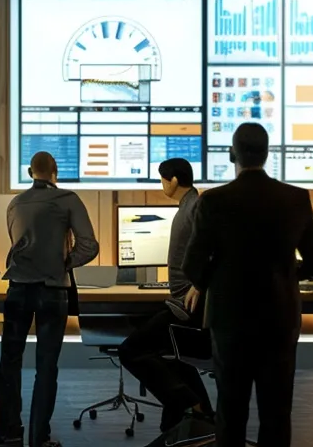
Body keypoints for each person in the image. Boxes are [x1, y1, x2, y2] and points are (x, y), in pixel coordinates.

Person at [180, 123, 313, 447]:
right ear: (268, 153)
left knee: (230, 414)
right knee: (276, 414)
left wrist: (216, 278)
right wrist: (286, 274)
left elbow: (192, 266)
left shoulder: (214, 201)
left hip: (230, 321)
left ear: (232, 154)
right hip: (279, 320)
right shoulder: (295, 198)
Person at [0, 151, 98, 447]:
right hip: (52, 292)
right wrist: (64, 263)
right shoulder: (68, 199)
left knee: (9, 363)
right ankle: (38, 438)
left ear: (30, 172)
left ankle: (9, 433)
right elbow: (89, 245)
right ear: (55, 172)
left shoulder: (14, 203)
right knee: (46, 367)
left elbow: (16, 244)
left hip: (16, 289)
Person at [119, 157, 212, 434]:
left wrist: (200, 283)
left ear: (172, 180)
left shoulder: (195, 207)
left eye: (162, 179)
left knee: (131, 350)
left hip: (188, 306)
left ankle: (190, 405)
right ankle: (195, 415)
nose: (162, 185)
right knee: (171, 355)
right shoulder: (190, 205)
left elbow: (216, 248)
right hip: (182, 301)